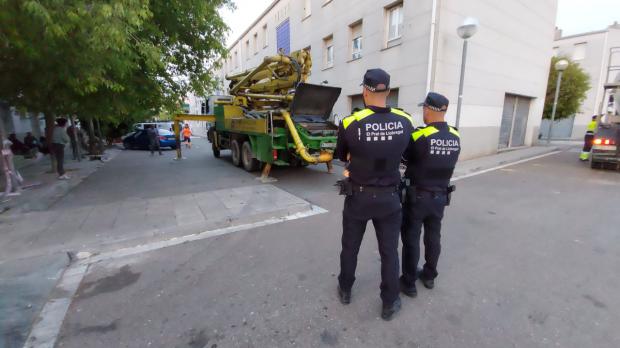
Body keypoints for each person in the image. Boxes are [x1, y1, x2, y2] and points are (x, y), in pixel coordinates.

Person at [335, 68, 415, 321]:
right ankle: (389, 303)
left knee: (350, 247)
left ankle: (346, 289)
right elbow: (407, 155)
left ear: (364, 92)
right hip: (390, 199)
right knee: (390, 251)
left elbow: (341, 155)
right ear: (388, 91)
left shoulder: (349, 123)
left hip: (358, 197)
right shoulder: (406, 121)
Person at [400, 92, 461, 297]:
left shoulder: (419, 135)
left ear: (428, 109)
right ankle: (429, 276)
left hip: (417, 197)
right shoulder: (455, 134)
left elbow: (405, 158)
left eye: (423, 108)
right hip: (440, 197)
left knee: (411, 238)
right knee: (433, 237)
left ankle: (408, 283)